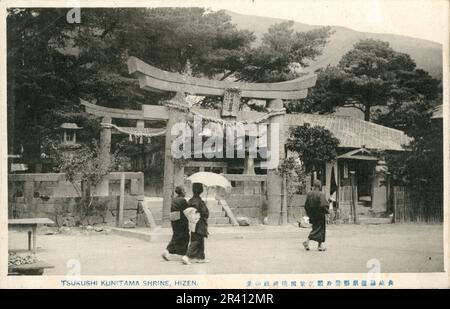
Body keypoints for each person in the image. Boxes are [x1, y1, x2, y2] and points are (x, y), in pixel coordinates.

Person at [182, 183, 209, 265]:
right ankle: (187, 256)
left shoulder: (190, 201)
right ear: (200, 190)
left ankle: (200, 257)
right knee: (197, 240)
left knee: (199, 239)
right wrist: (205, 207)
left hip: (192, 222)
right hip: (199, 223)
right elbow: (205, 213)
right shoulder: (200, 202)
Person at [162, 186, 189, 261]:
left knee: (176, 236)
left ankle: (181, 253)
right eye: (184, 190)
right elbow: (187, 210)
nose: (185, 192)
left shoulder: (174, 199)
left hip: (174, 221)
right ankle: (183, 254)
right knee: (184, 237)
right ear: (182, 192)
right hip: (181, 222)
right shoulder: (182, 200)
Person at [303, 180, 329, 251]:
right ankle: (307, 242)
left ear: (313, 186)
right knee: (319, 229)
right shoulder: (321, 194)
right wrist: (327, 211)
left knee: (315, 228)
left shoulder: (309, 194)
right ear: (320, 186)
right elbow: (323, 205)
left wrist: (309, 214)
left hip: (312, 215)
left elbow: (306, 205)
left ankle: (319, 245)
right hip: (320, 214)